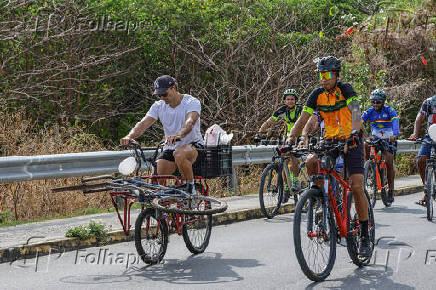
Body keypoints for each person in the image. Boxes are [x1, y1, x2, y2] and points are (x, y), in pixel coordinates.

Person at [286, 56, 371, 256]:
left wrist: (355, 134)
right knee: (310, 160)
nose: (323, 79)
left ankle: (365, 235)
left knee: (357, 186)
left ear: (337, 75)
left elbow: (356, 112)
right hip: (330, 140)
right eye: (320, 75)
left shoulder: (346, 90)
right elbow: (303, 119)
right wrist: (291, 139)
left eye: (327, 75)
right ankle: (320, 200)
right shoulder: (316, 95)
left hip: (352, 139)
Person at [120, 75, 204, 195]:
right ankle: (160, 210)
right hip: (170, 148)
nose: (162, 98)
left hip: (192, 146)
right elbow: (143, 124)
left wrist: (179, 134)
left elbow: (190, 122)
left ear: (174, 88)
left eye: (164, 94)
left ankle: (191, 190)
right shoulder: (158, 106)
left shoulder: (191, 102)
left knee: (179, 153)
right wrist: (130, 136)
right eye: (159, 95)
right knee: (154, 184)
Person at [256, 89, 303, 200]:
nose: (290, 101)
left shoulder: (301, 109)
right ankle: (286, 187)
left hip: (300, 136)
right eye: (288, 99)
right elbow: (269, 122)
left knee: (294, 157)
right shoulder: (282, 110)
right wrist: (259, 133)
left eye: (292, 99)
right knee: (284, 161)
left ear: (296, 100)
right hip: (288, 137)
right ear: (284, 101)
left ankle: (295, 181)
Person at [361, 89, 399, 203]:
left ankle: (391, 190)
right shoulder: (370, 111)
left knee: (389, 161)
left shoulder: (390, 110)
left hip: (388, 138)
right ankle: (370, 166)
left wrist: (395, 134)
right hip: (375, 137)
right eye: (373, 102)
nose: (375, 104)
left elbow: (395, 122)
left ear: (383, 102)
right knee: (365, 145)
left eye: (378, 102)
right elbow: (360, 121)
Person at [408, 94, 436, 206]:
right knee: (421, 159)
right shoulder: (429, 102)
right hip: (431, 135)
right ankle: (427, 188)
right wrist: (415, 133)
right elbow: (419, 118)